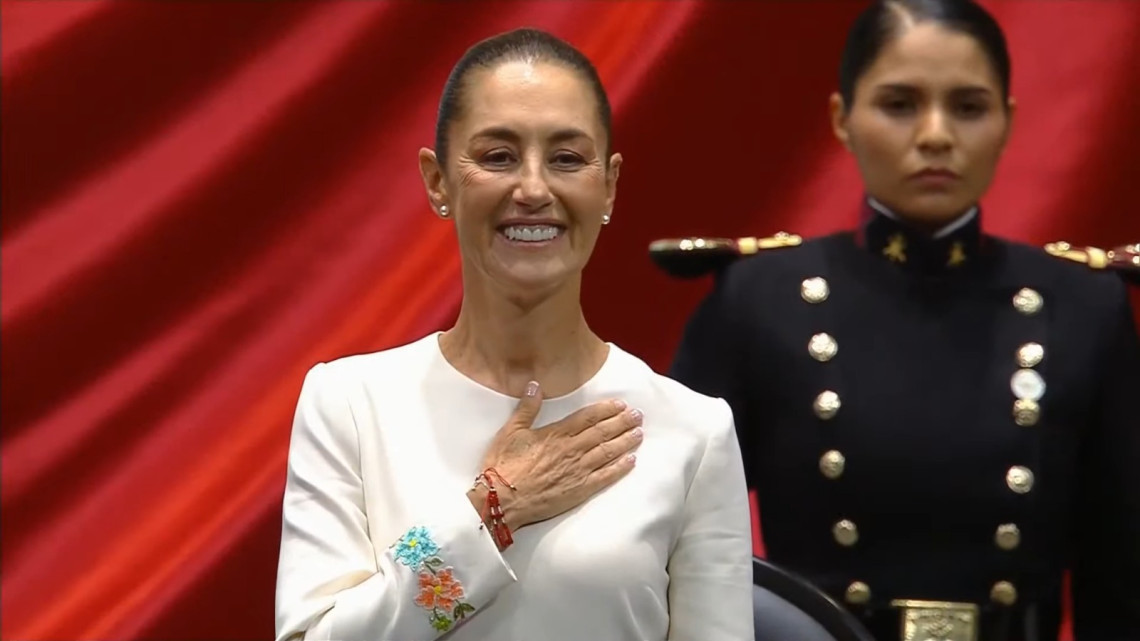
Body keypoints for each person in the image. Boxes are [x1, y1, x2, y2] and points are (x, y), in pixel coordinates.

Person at [663, 1, 1140, 640]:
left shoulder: (1083, 307)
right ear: (842, 119)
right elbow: (673, 541)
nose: (936, 134)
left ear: (1007, 123)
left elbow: (1122, 579)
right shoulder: (759, 299)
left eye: (969, 107)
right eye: (900, 104)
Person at [274, 28, 754, 641]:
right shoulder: (349, 403)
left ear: (608, 185)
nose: (532, 189)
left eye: (566, 158)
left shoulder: (693, 430)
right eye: (498, 156)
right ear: (438, 181)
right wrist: (491, 512)